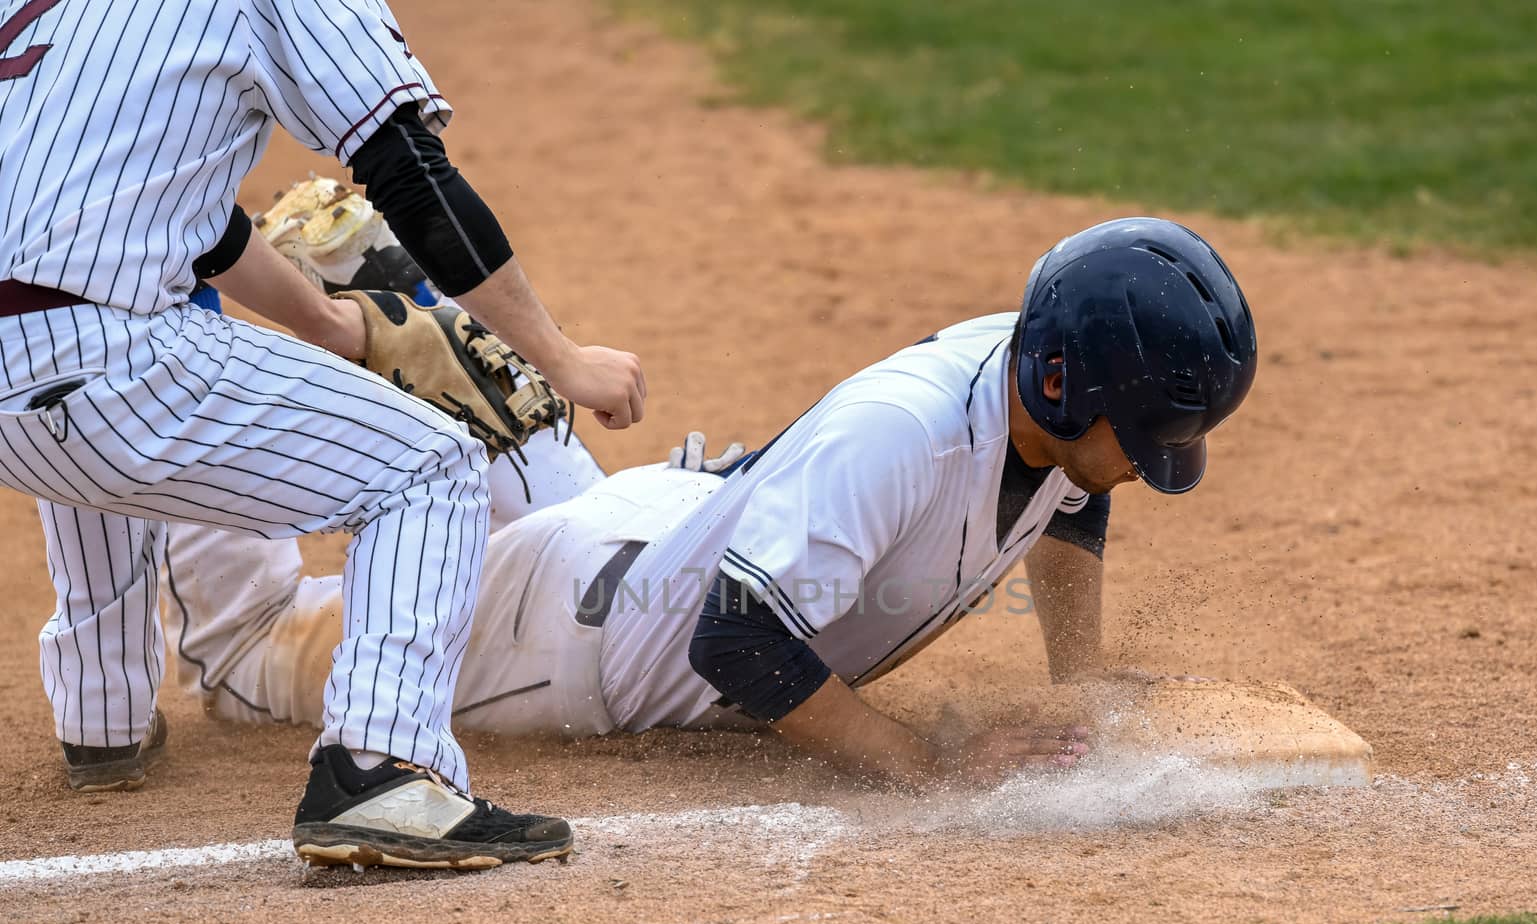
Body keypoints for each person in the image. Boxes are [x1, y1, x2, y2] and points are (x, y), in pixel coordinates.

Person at [164, 217, 1256, 788]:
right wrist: (929, 767)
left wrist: (1083, 679)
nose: (1144, 467)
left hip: (652, 531)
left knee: (497, 437)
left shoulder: (1044, 389)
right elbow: (734, 640)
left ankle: (401, 304)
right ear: (1068, 385)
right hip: (561, 644)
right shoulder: (904, 432)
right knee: (254, 657)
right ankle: (183, 326)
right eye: (1145, 438)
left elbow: (1077, 486)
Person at [0, 0, 646, 869]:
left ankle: (101, 718)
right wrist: (564, 362)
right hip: (109, 361)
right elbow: (410, 174)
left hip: (33, 389)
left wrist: (331, 325)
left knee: (81, 397)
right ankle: (380, 769)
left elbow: (156, 214)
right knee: (427, 467)